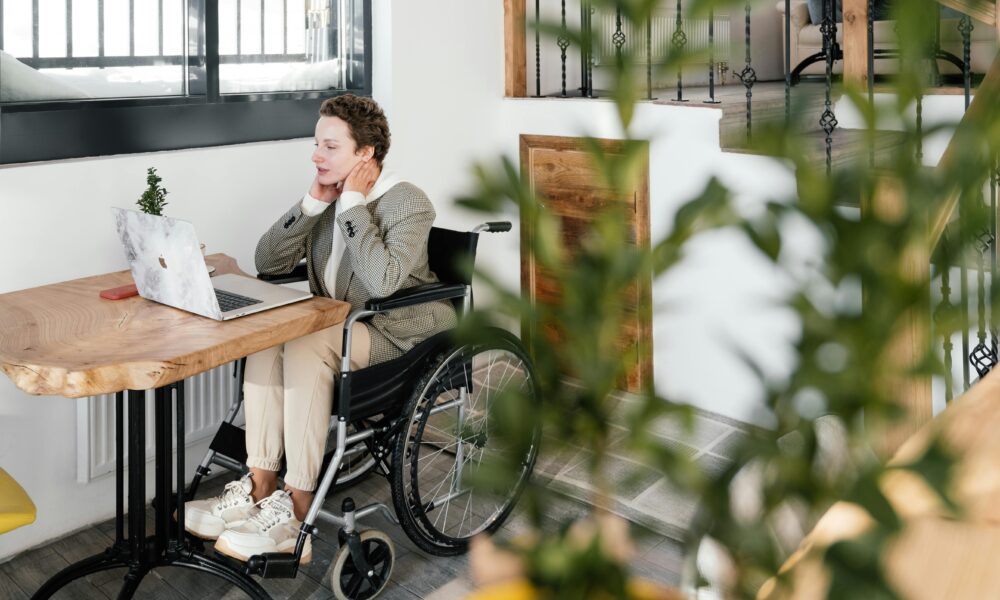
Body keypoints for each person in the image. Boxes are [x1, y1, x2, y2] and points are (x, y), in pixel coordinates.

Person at [183, 94, 457, 563]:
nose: (316, 155)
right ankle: (261, 484)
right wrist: (313, 204)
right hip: (340, 327)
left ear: (365, 153)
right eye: (317, 145)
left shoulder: (408, 201)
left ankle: (297, 507)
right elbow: (267, 261)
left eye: (329, 147)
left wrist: (352, 204)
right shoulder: (328, 198)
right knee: (271, 334)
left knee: (306, 338)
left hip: (397, 332)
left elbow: (383, 281)